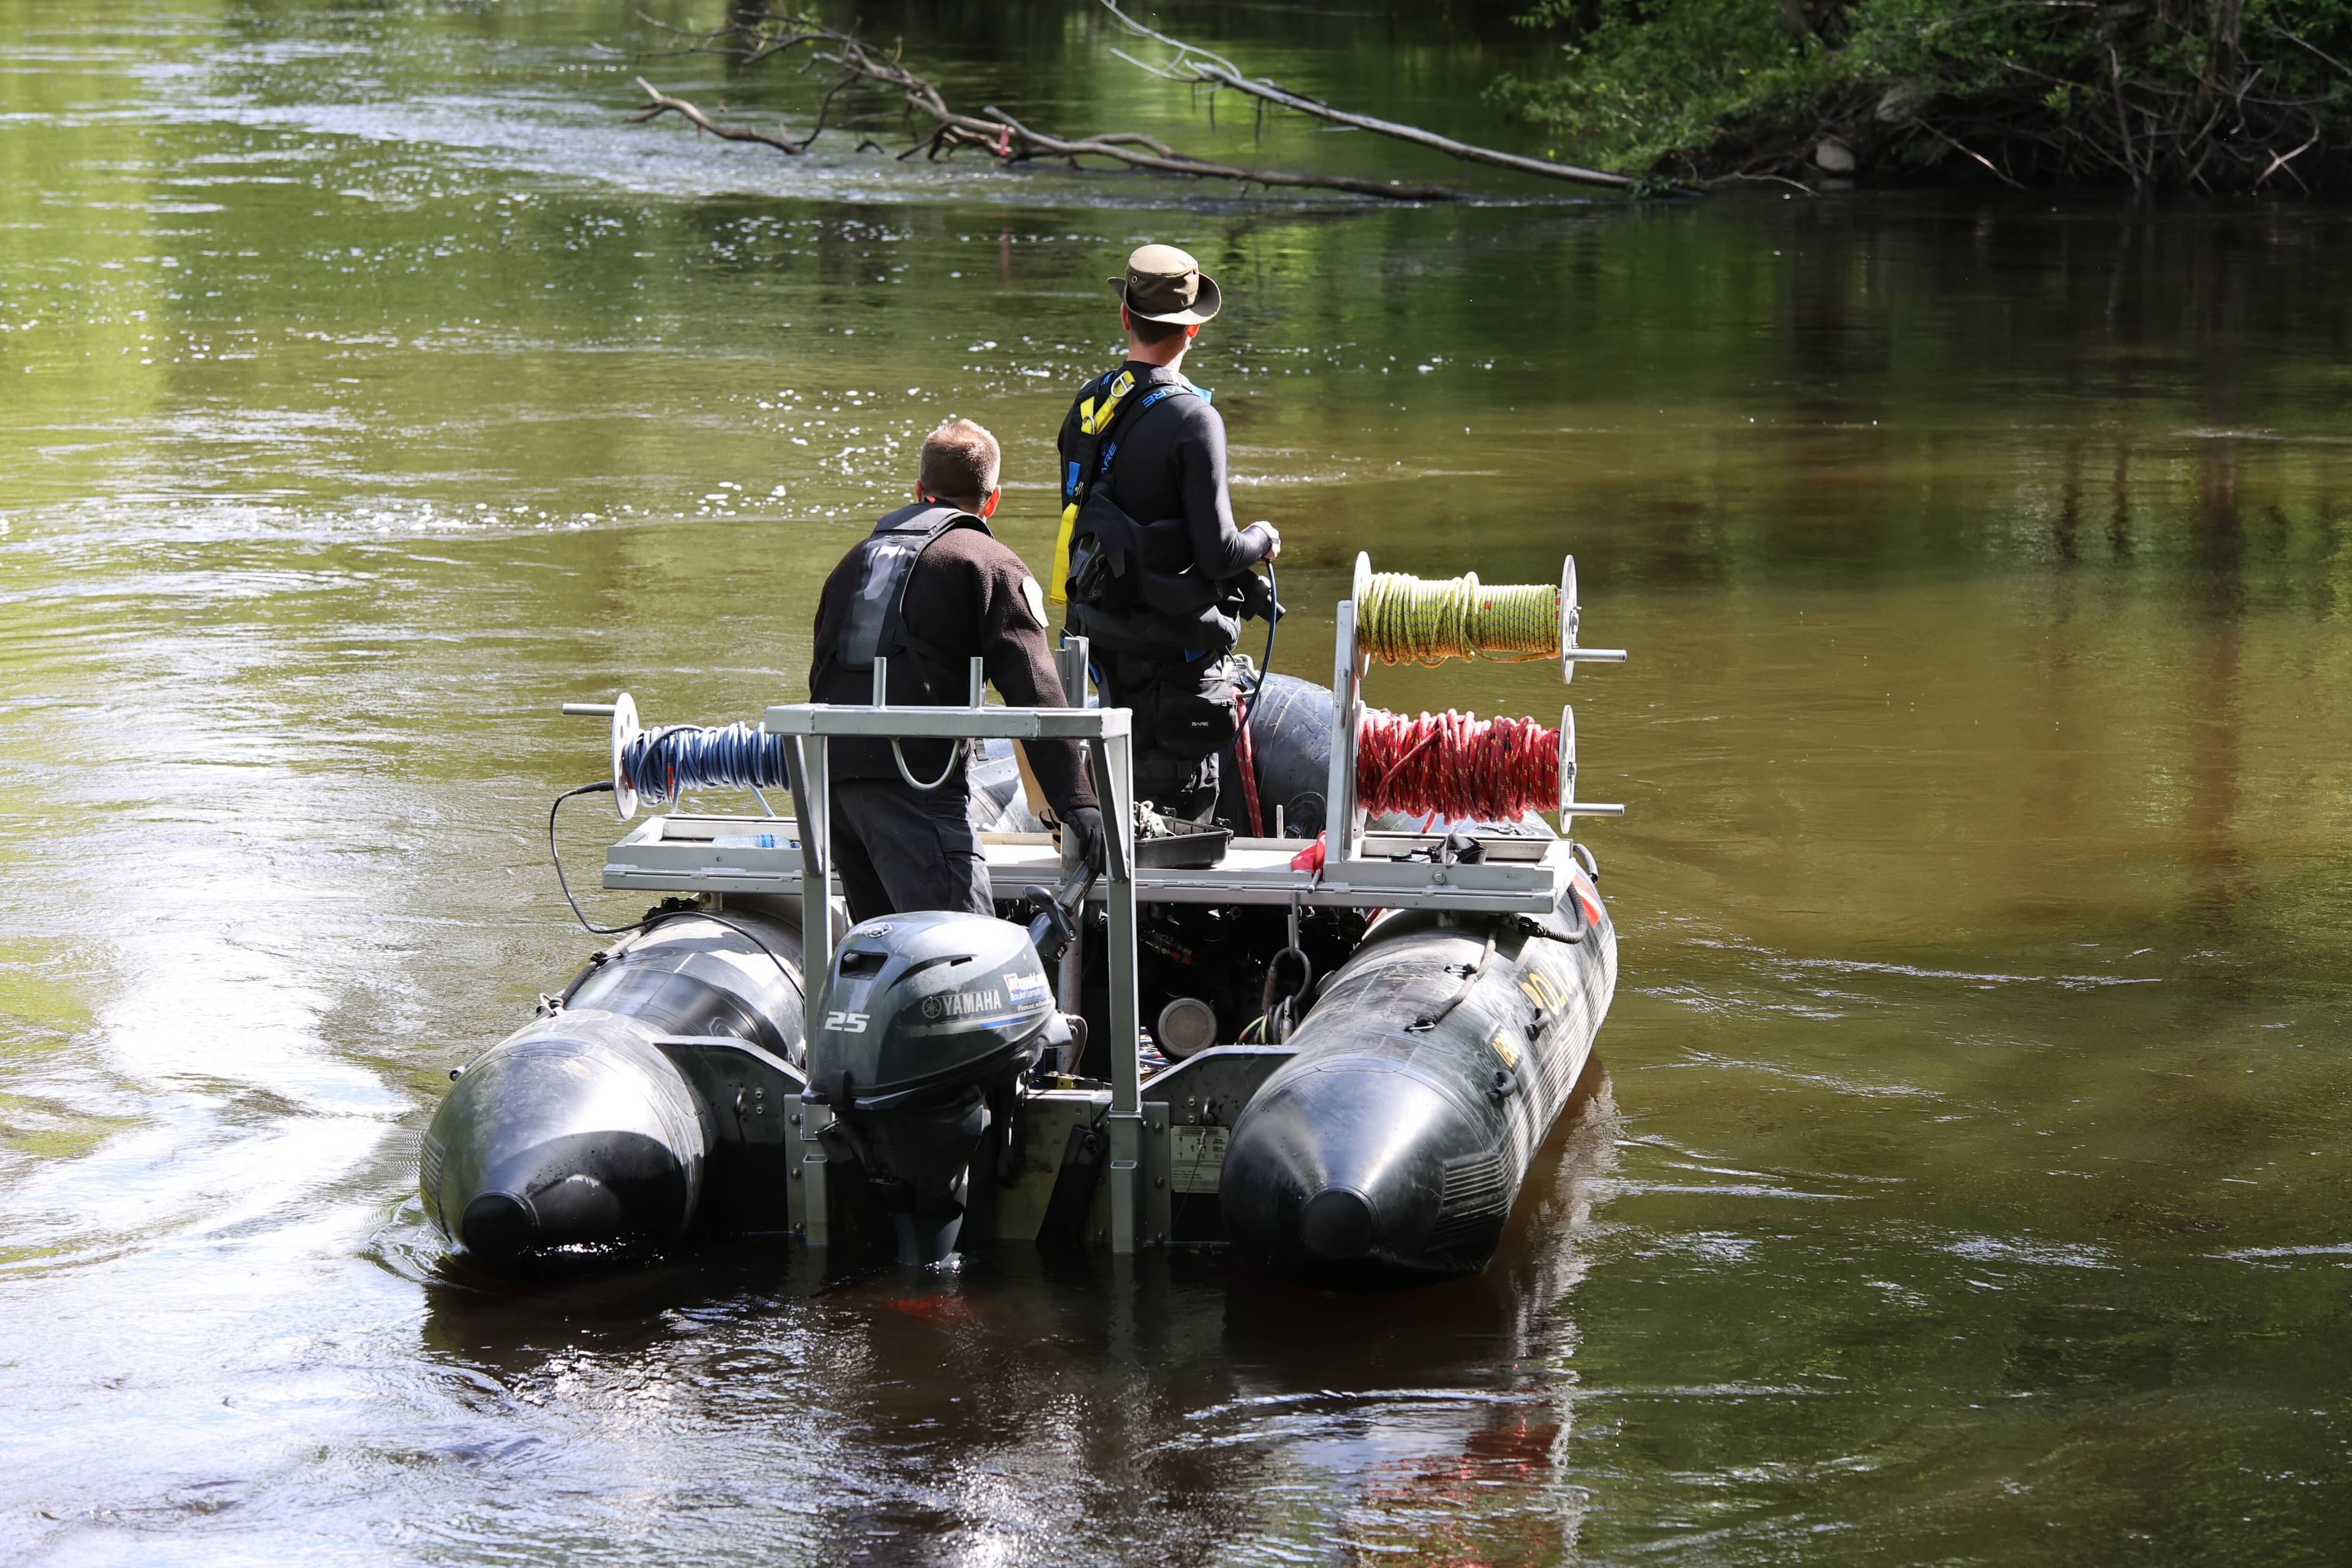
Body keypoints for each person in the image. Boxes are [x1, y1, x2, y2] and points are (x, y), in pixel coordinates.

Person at [808, 418, 1104, 924]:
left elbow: (821, 672)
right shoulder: (988, 562)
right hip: (915, 786)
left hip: (833, 784)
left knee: (884, 953)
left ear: (919, 491)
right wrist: (1079, 802)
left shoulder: (851, 561)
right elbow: (1034, 689)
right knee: (963, 958)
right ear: (992, 500)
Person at [1050, 243, 1281, 823]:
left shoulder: (1091, 402)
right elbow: (1221, 551)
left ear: (1126, 316)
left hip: (1100, 645)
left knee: (1114, 806)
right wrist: (1263, 538)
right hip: (1171, 665)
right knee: (1171, 826)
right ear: (1193, 331)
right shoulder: (1194, 419)